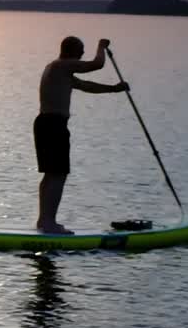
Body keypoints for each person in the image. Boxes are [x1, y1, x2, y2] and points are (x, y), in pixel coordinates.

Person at [34, 36, 129, 233]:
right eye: (81, 50)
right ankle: (48, 222)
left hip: (47, 124)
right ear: (71, 51)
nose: (84, 53)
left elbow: (88, 86)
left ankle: (44, 221)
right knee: (58, 174)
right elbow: (97, 64)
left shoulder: (59, 71)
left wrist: (114, 89)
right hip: (52, 125)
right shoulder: (61, 66)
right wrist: (101, 46)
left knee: (52, 174)